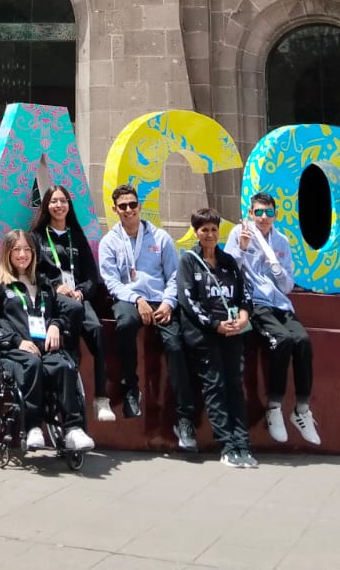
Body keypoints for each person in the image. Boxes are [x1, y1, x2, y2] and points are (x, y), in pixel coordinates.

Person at [98, 182, 200, 450]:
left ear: (139, 206)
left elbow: (175, 276)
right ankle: (131, 388)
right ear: (115, 209)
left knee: (176, 346)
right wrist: (137, 299)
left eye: (133, 205)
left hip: (160, 301)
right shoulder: (109, 242)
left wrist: (167, 303)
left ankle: (185, 418)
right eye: (123, 206)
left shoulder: (161, 238)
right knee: (126, 323)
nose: (129, 210)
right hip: (128, 299)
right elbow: (111, 282)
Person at [0, 229, 94, 453]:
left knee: (65, 365)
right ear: (7, 253)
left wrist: (56, 325)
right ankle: (33, 426)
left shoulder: (44, 284)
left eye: (27, 250)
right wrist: (16, 342)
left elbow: (59, 314)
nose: (22, 254)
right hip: (14, 352)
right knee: (32, 364)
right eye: (17, 250)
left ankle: (73, 429)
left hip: (46, 348)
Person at [223, 190, 320, 446]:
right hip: (255, 302)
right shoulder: (239, 233)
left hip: (280, 302)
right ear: (250, 214)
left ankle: (302, 410)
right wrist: (242, 250)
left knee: (302, 341)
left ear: (275, 214)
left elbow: (288, 285)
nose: (263, 218)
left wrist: (277, 270)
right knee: (282, 340)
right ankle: (274, 406)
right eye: (258, 212)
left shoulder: (282, 242)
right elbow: (228, 272)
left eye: (268, 213)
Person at [29, 184, 116, 421]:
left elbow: (91, 276)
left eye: (63, 201)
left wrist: (81, 292)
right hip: (51, 299)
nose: (59, 205)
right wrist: (56, 287)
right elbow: (32, 272)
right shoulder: (36, 237)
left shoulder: (77, 237)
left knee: (97, 330)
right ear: (46, 206)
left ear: (69, 205)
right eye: (54, 201)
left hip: (77, 299)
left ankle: (100, 398)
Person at [178, 208, 255, 468]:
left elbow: (244, 294)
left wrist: (244, 316)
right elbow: (188, 301)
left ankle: (243, 444)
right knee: (215, 386)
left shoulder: (229, 261)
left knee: (235, 386)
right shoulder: (188, 261)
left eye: (213, 229)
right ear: (196, 232)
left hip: (233, 332)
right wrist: (215, 325)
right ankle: (227, 445)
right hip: (205, 335)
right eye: (204, 230)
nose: (210, 235)